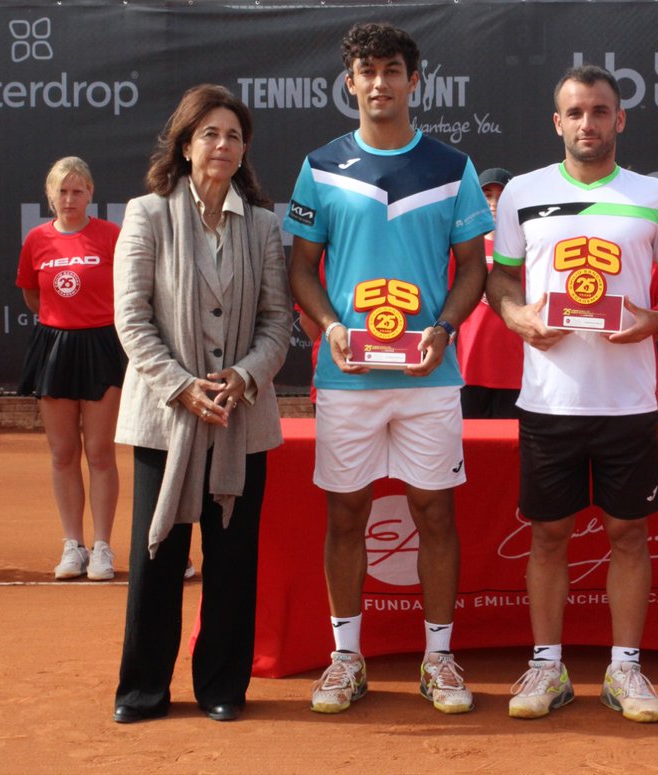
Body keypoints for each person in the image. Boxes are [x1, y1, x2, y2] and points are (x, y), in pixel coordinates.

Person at [286, 22, 491, 716]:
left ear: (414, 81)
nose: (379, 83)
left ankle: (439, 658)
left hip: (429, 376)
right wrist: (334, 328)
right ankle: (348, 657)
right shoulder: (318, 167)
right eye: (366, 71)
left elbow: (472, 269)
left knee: (435, 511)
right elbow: (300, 268)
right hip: (347, 378)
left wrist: (443, 329)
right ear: (350, 83)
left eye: (392, 70)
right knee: (346, 515)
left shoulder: (453, 167)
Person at [487, 65, 658, 723]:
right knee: (548, 533)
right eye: (575, 112)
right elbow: (500, 283)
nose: (588, 123)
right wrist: (517, 318)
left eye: (600, 111)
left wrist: (655, 320)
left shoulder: (656, 196)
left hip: (627, 401)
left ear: (620, 119)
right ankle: (548, 666)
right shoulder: (521, 192)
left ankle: (625, 667)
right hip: (548, 400)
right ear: (558, 122)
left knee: (628, 532)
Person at [111, 84, 291, 723]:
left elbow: (277, 323)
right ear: (186, 145)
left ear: (244, 152)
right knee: (155, 556)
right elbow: (131, 320)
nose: (222, 145)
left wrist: (242, 379)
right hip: (166, 417)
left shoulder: (265, 224)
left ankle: (221, 687)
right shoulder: (147, 213)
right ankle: (143, 691)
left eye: (234, 136)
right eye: (210, 134)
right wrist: (183, 386)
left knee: (233, 560)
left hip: (242, 417)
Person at [16, 157, 124, 581]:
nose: (69, 199)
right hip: (54, 346)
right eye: (62, 191)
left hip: (102, 345)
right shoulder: (36, 240)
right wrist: (61, 322)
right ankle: (72, 545)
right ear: (50, 195)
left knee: (99, 452)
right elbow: (31, 295)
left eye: (77, 191)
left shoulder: (111, 236)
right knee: (63, 453)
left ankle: (102, 547)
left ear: (90, 194)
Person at [457, 167, 524, 419]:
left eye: (502, 195)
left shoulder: (530, 249)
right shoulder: (463, 250)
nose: (494, 204)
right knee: (469, 451)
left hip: (517, 372)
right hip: (468, 370)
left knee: (510, 452)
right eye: (487, 195)